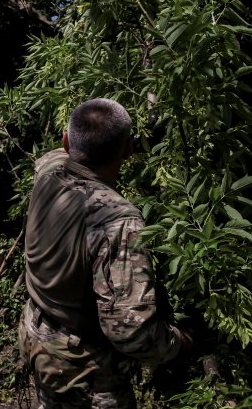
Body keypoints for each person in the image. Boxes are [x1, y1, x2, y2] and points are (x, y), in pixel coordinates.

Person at [18, 98, 191, 408]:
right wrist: (180, 341)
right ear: (125, 150)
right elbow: (129, 332)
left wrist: (122, 144)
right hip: (84, 370)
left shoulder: (48, 174)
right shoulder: (118, 220)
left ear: (66, 141)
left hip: (38, 335)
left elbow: (59, 153)